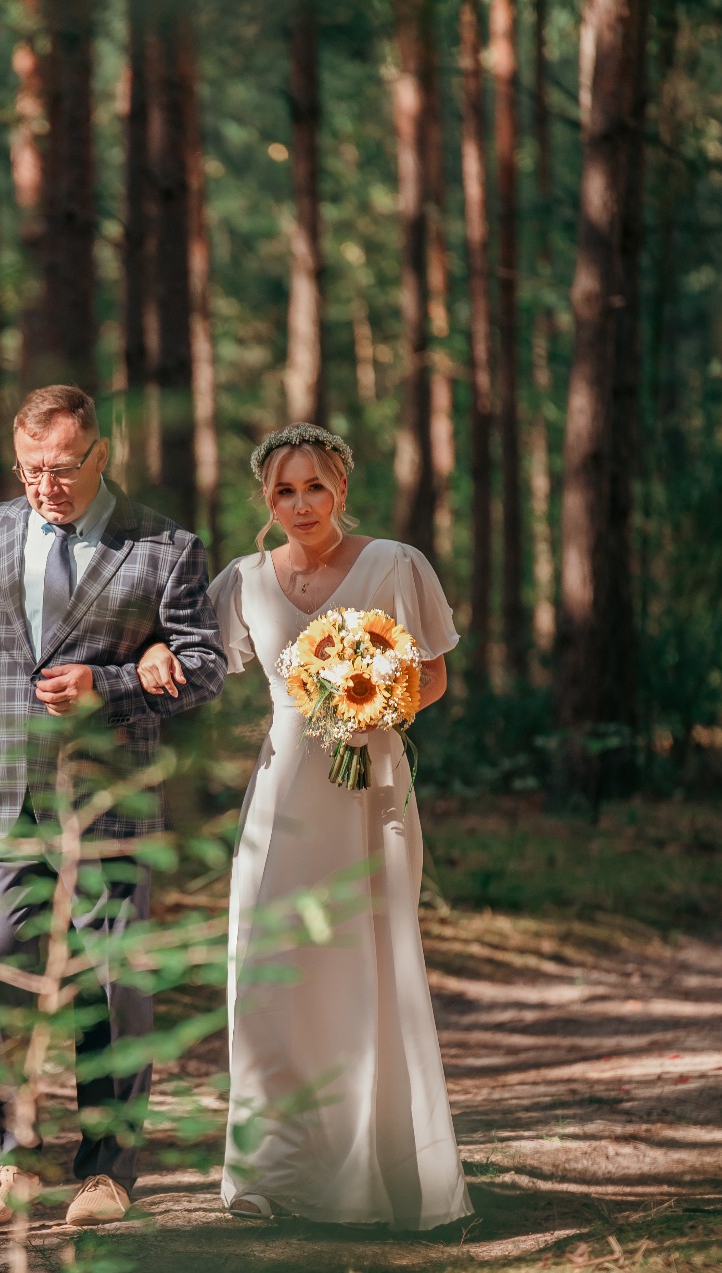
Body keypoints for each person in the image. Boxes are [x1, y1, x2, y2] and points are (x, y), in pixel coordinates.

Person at [136, 423, 472, 1230]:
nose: (300, 504)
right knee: (271, 964)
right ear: (267, 499)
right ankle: (272, 1174)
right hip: (285, 786)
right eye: (284, 491)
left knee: (370, 964)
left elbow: (433, 674)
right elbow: (192, 655)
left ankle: (381, 1173)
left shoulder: (396, 563)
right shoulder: (245, 578)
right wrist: (151, 652)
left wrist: (378, 706)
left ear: (341, 489)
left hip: (372, 788)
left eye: (314, 487)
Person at [0, 384, 226, 1227]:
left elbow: (205, 668)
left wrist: (112, 681)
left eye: (60, 469)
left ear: (101, 456)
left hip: (111, 798)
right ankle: (7, 1161)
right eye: (28, 469)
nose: (43, 485)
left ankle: (106, 1174)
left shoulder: (166, 546)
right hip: (2, 795)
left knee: (112, 980)